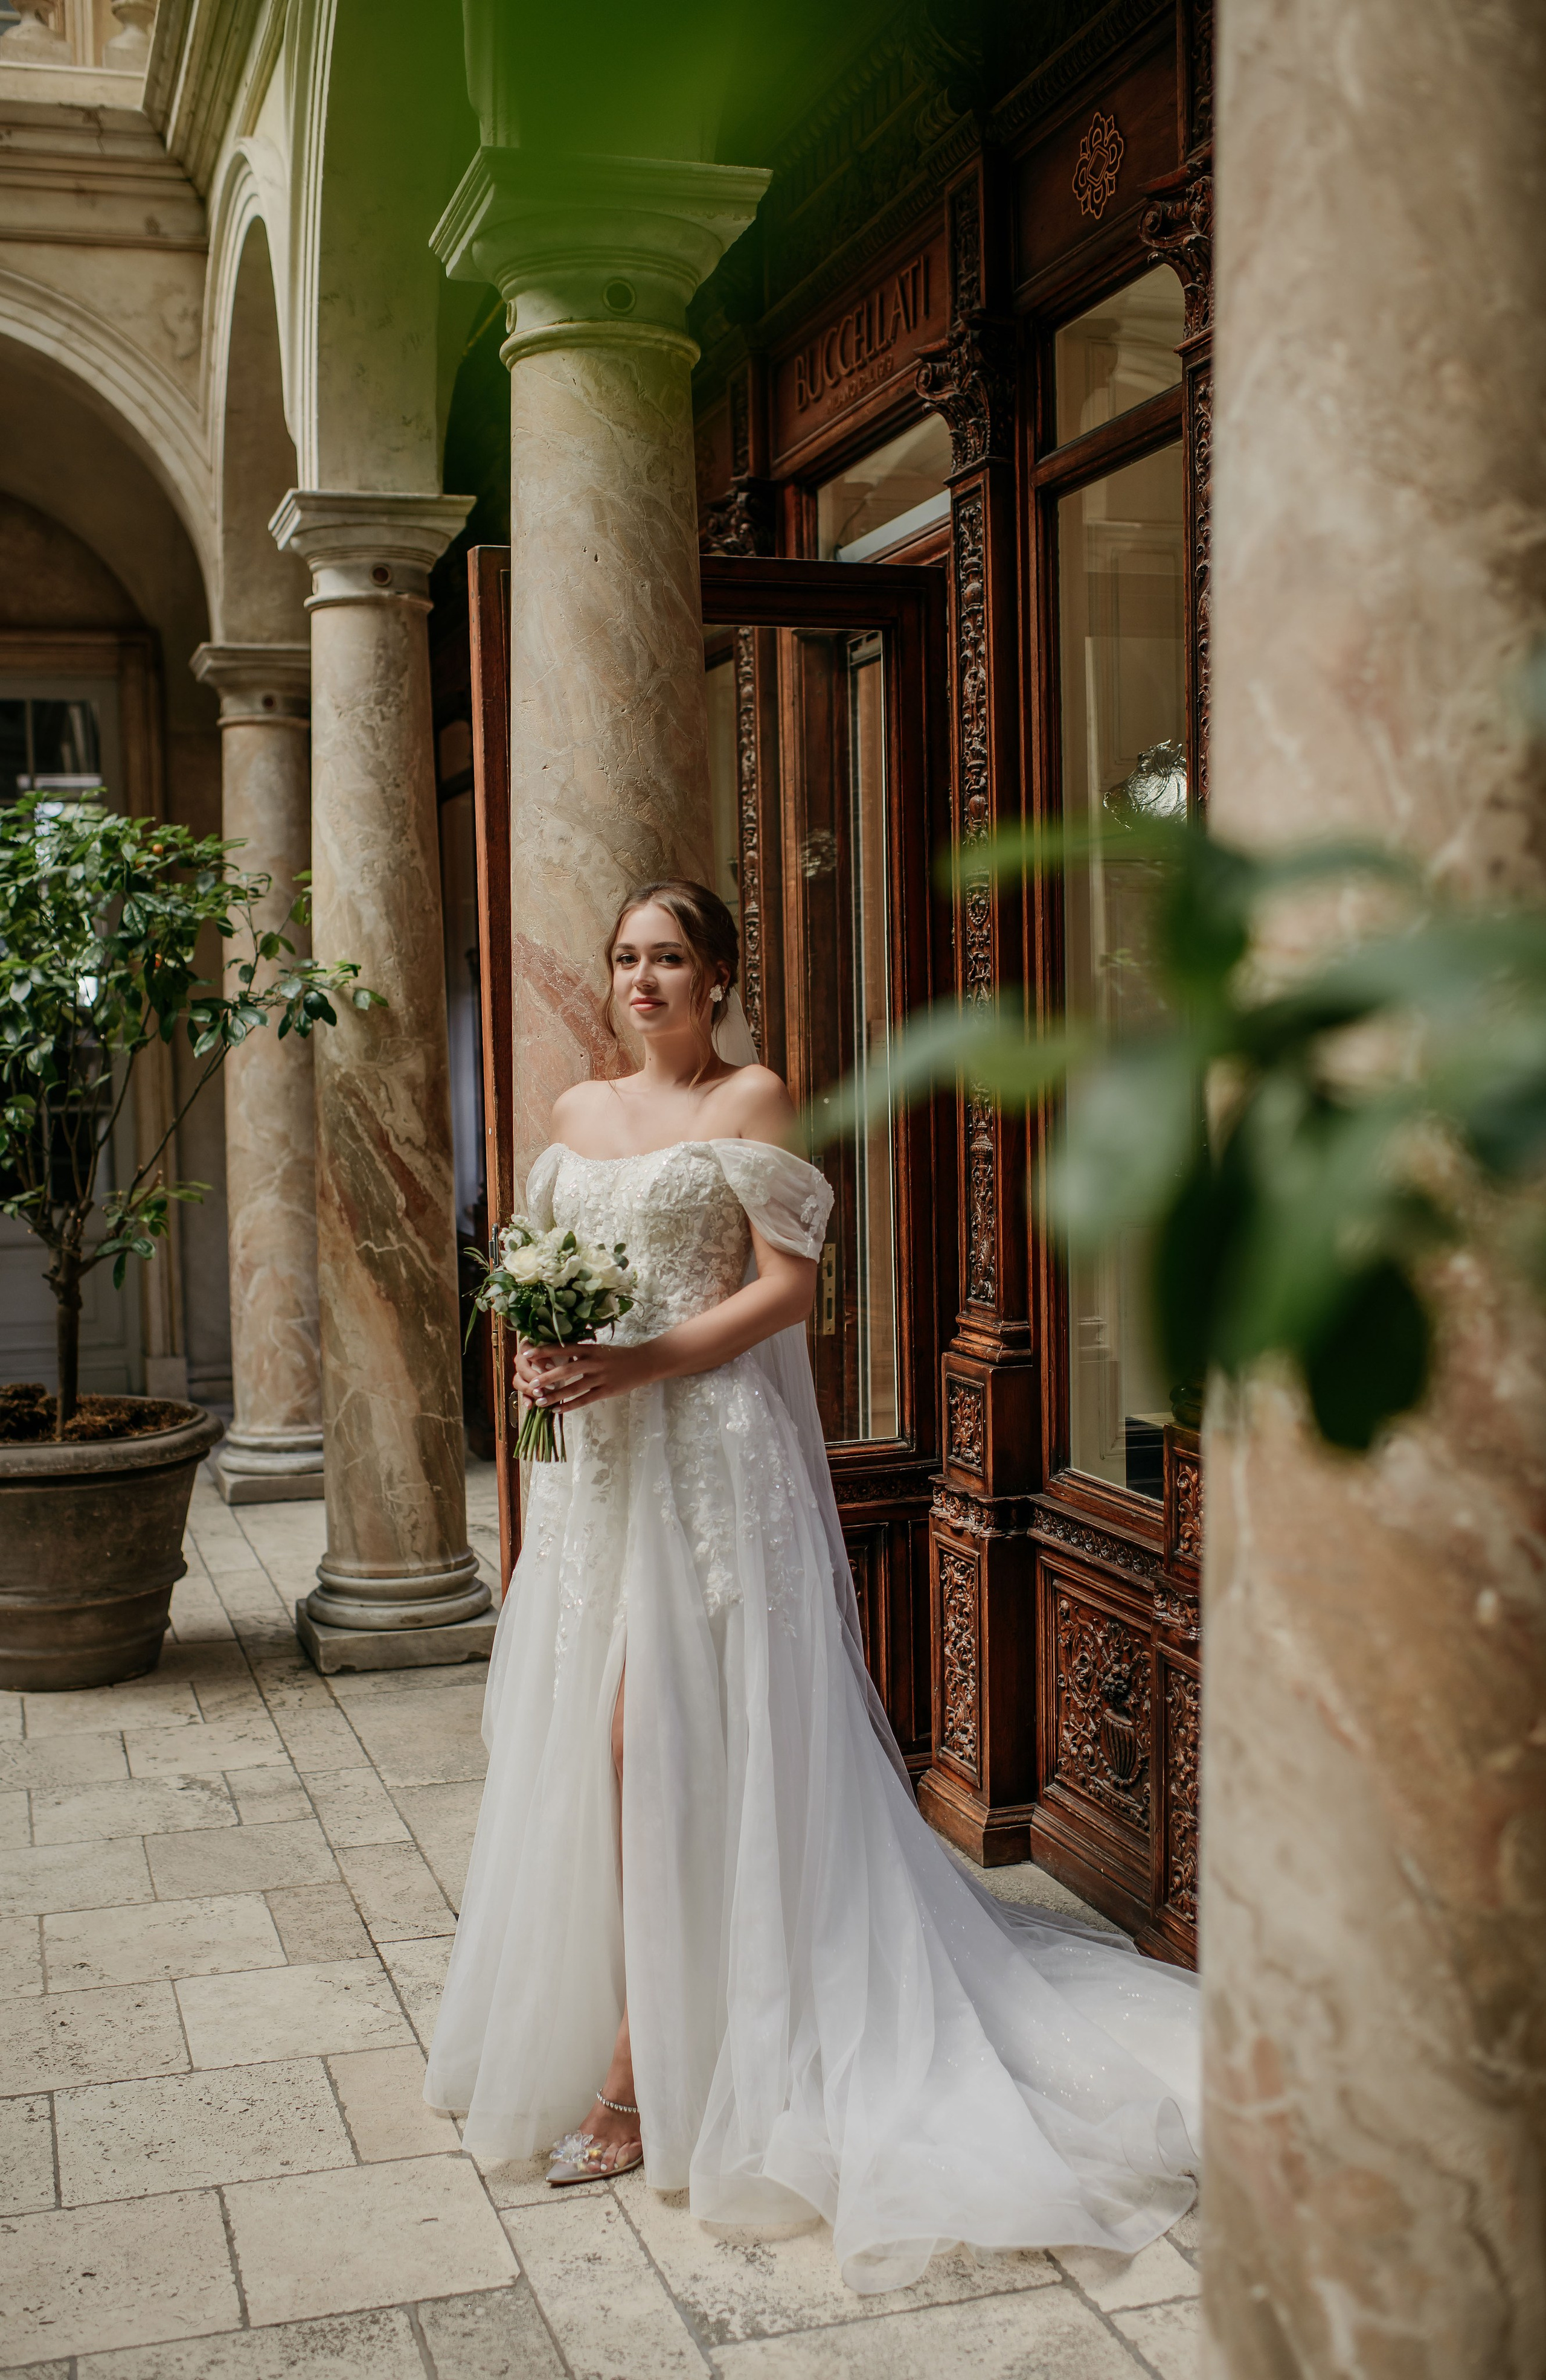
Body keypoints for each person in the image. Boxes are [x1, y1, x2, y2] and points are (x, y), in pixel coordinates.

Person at [425, 878, 1199, 2294]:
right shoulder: (575, 1118)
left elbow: (787, 1292)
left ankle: (642, 2065)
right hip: (603, 1477)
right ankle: (636, 2010)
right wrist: (540, 1362)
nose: (642, 980)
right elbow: (546, 1283)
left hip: (712, 1465)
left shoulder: (752, 1100)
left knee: (662, 1739)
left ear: (719, 974)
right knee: (587, 1749)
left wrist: (637, 1363)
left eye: (669, 957)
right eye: (624, 960)